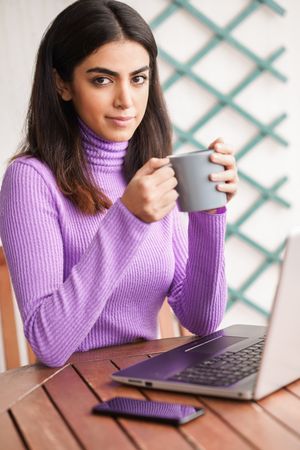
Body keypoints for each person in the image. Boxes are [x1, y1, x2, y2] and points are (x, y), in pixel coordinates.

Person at [0, 0, 238, 367]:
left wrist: (208, 214)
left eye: (138, 78)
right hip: (70, 398)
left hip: (149, 381)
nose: (126, 100)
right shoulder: (30, 180)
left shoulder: (150, 173)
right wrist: (128, 218)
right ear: (62, 84)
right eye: (102, 80)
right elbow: (48, 343)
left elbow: (201, 320)